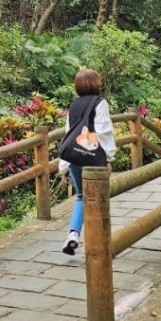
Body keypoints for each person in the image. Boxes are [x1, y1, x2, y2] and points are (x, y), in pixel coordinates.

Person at [58, 68, 116, 255]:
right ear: (96, 84)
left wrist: (65, 166)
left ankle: (73, 234)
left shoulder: (73, 105)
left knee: (83, 197)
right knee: (99, 197)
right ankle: (99, 243)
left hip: (75, 156)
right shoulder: (100, 103)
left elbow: (69, 133)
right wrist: (108, 158)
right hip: (93, 156)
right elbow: (103, 131)